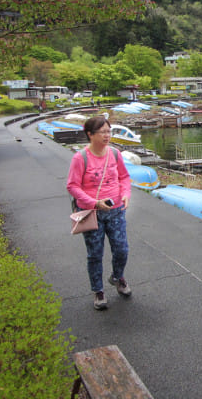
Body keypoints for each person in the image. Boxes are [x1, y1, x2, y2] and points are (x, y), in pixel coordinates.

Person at [67, 115, 132, 310]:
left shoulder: (114, 153)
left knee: (122, 249)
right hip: (91, 212)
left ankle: (117, 277)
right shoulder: (81, 157)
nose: (107, 135)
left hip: (116, 210)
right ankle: (98, 291)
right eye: (102, 132)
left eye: (108, 131)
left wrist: (126, 194)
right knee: (95, 254)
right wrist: (94, 202)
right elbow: (72, 186)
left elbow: (124, 177)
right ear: (90, 134)